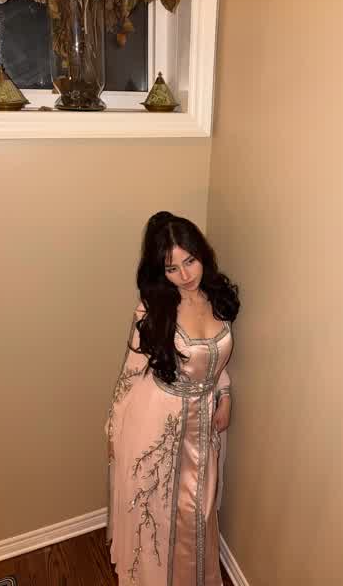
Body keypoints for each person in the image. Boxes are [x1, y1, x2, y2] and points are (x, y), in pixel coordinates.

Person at [105, 211, 240, 586]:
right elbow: (129, 376)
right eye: (171, 268)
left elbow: (214, 363)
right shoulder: (151, 310)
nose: (185, 274)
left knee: (197, 513)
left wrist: (225, 394)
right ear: (159, 271)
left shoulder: (218, 298)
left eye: (190, 261)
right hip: (156, 426)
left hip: (202, 424)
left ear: (202, 253)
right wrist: (114, 432)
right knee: (160, 520)